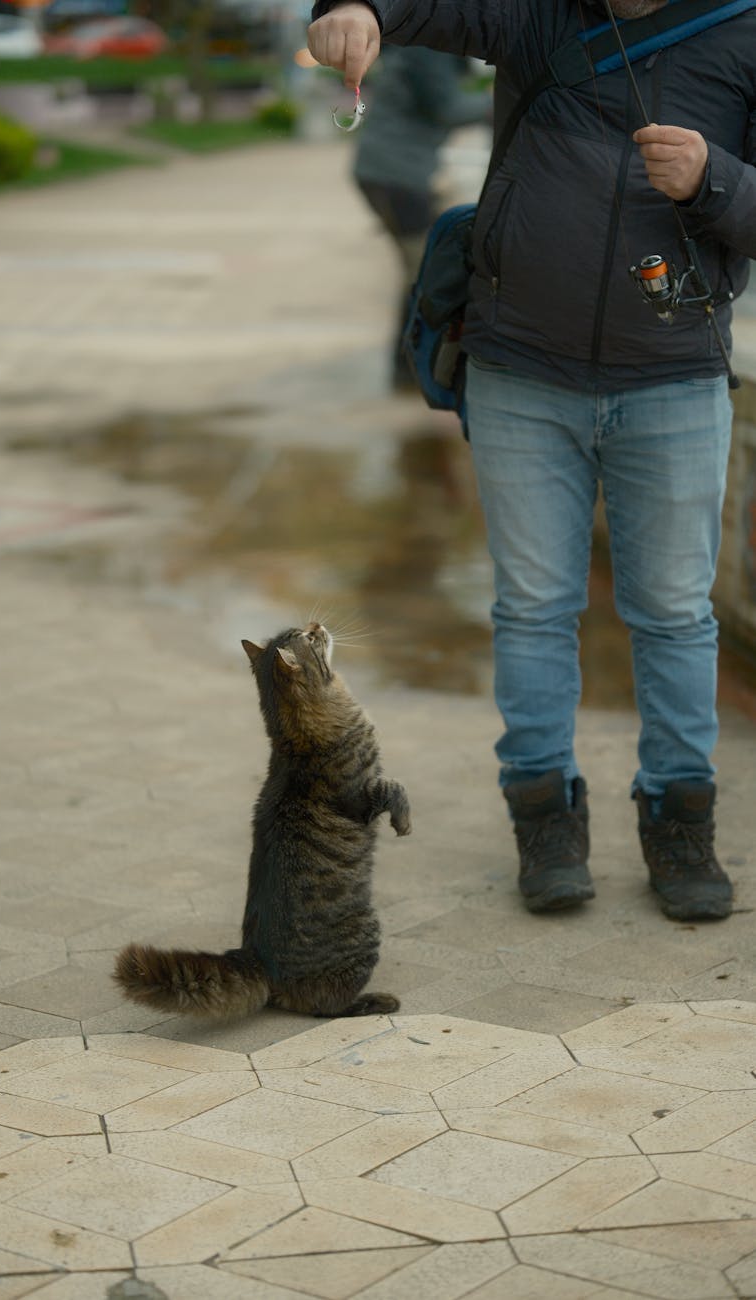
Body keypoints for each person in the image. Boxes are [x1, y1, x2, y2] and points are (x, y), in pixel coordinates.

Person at [307, 0, 756, 921]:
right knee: (532, 607)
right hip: (520, 372)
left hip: (673, 378)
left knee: (673, 613)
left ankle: (679, 822)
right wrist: (347, 8)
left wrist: (714, 181)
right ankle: (544, 817)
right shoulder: (533, 13)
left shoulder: (744, 32)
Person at [351, 46, 490, 390]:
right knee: (423, 274)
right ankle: (411, 369)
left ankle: (410, 366)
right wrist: (502, 99)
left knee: (422, 271)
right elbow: (446, 109)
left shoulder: (425, 49)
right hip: (396, 177)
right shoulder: (430, 51)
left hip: (393, 175)